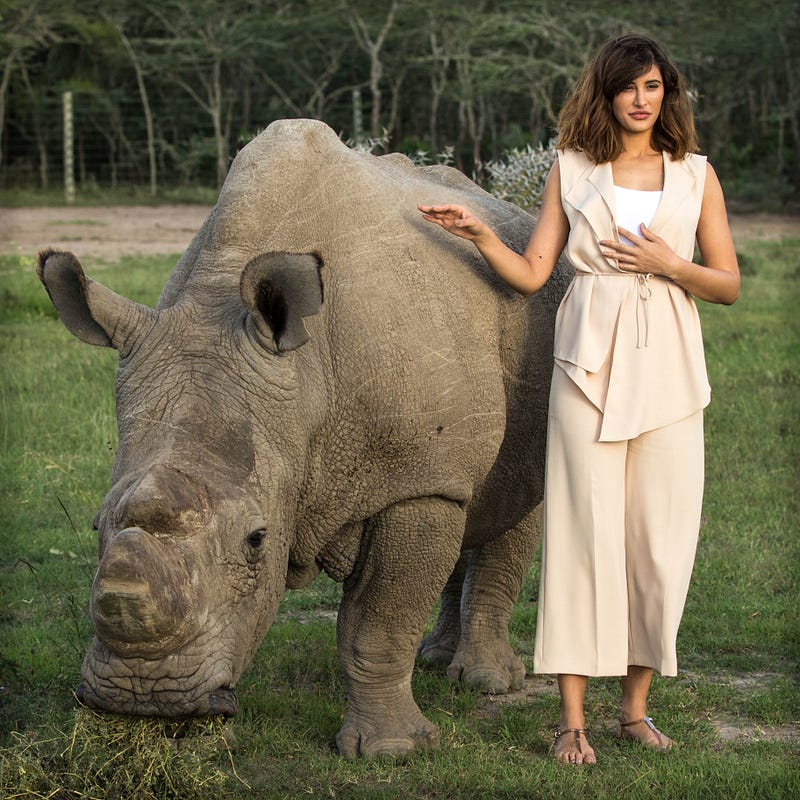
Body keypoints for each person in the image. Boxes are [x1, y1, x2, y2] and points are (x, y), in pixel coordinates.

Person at [419, 33, 739, 765]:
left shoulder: (696, 176)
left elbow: (728, 283)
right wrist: (477, 236)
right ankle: (570, 721)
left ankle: (633, 711)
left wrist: (669, 263)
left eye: (653, 86)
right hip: (587, 369)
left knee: (659, 545)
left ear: (667, 94)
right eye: (628, 86)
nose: (640, 98)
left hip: (670, 373)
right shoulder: (572, 170)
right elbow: (535, 272)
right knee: (580, 539)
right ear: (605, 91)